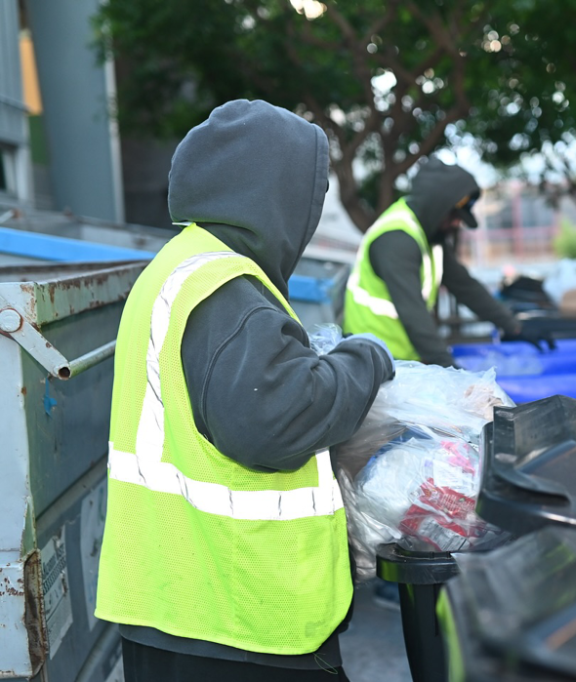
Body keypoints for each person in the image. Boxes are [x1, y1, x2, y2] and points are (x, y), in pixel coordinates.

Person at [94, 100, 395, 682]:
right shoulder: (224, 287)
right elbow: (274, 420)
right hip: (239, 620)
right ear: (274, 195)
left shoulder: (181, 267)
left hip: (179, 604)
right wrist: (365, 358)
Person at [343, 156, 553, 365]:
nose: (456, 224)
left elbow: (465, 286)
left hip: (400, 361)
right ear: (435, 207)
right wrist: (451, 372)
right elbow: (414, 316)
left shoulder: (429, 235)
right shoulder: (396, 240)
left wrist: (514, 326)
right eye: (453, 216)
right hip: (369, 363)